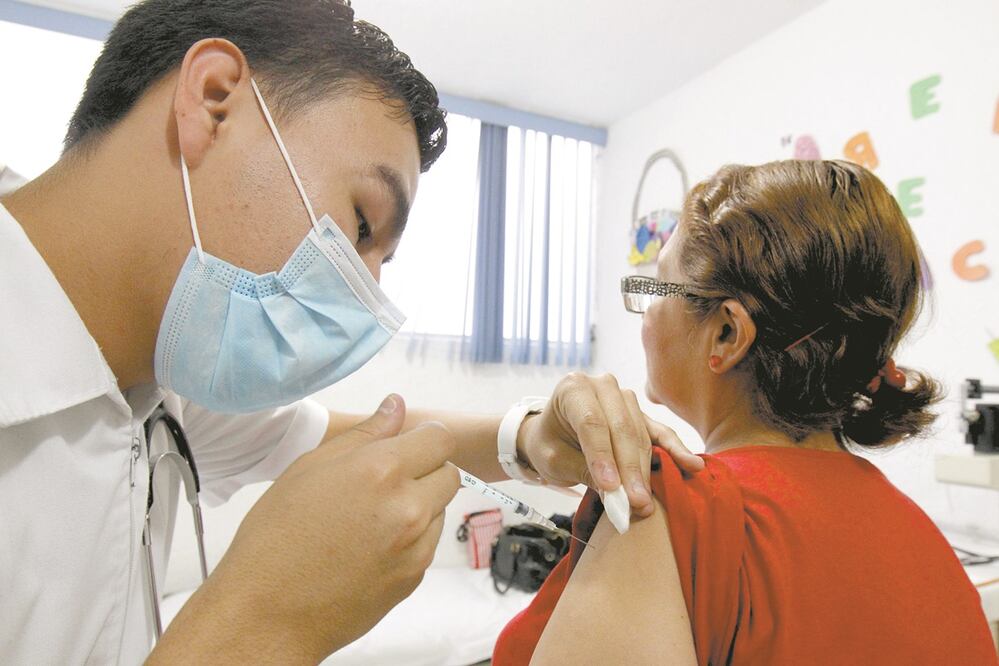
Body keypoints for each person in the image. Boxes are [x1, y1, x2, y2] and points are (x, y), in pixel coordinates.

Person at [0, 1, 705, 663]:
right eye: (362, 224)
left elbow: (345, 438)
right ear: (213, 100)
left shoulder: (156, 385)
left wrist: (527, 438)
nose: (365, 295)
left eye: (379, 261)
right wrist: (262, 621)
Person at [494, 160, 999, 665]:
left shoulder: (667, 513)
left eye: (659, 287)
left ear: (726, 334)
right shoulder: (923, 541)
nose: (645, 316)